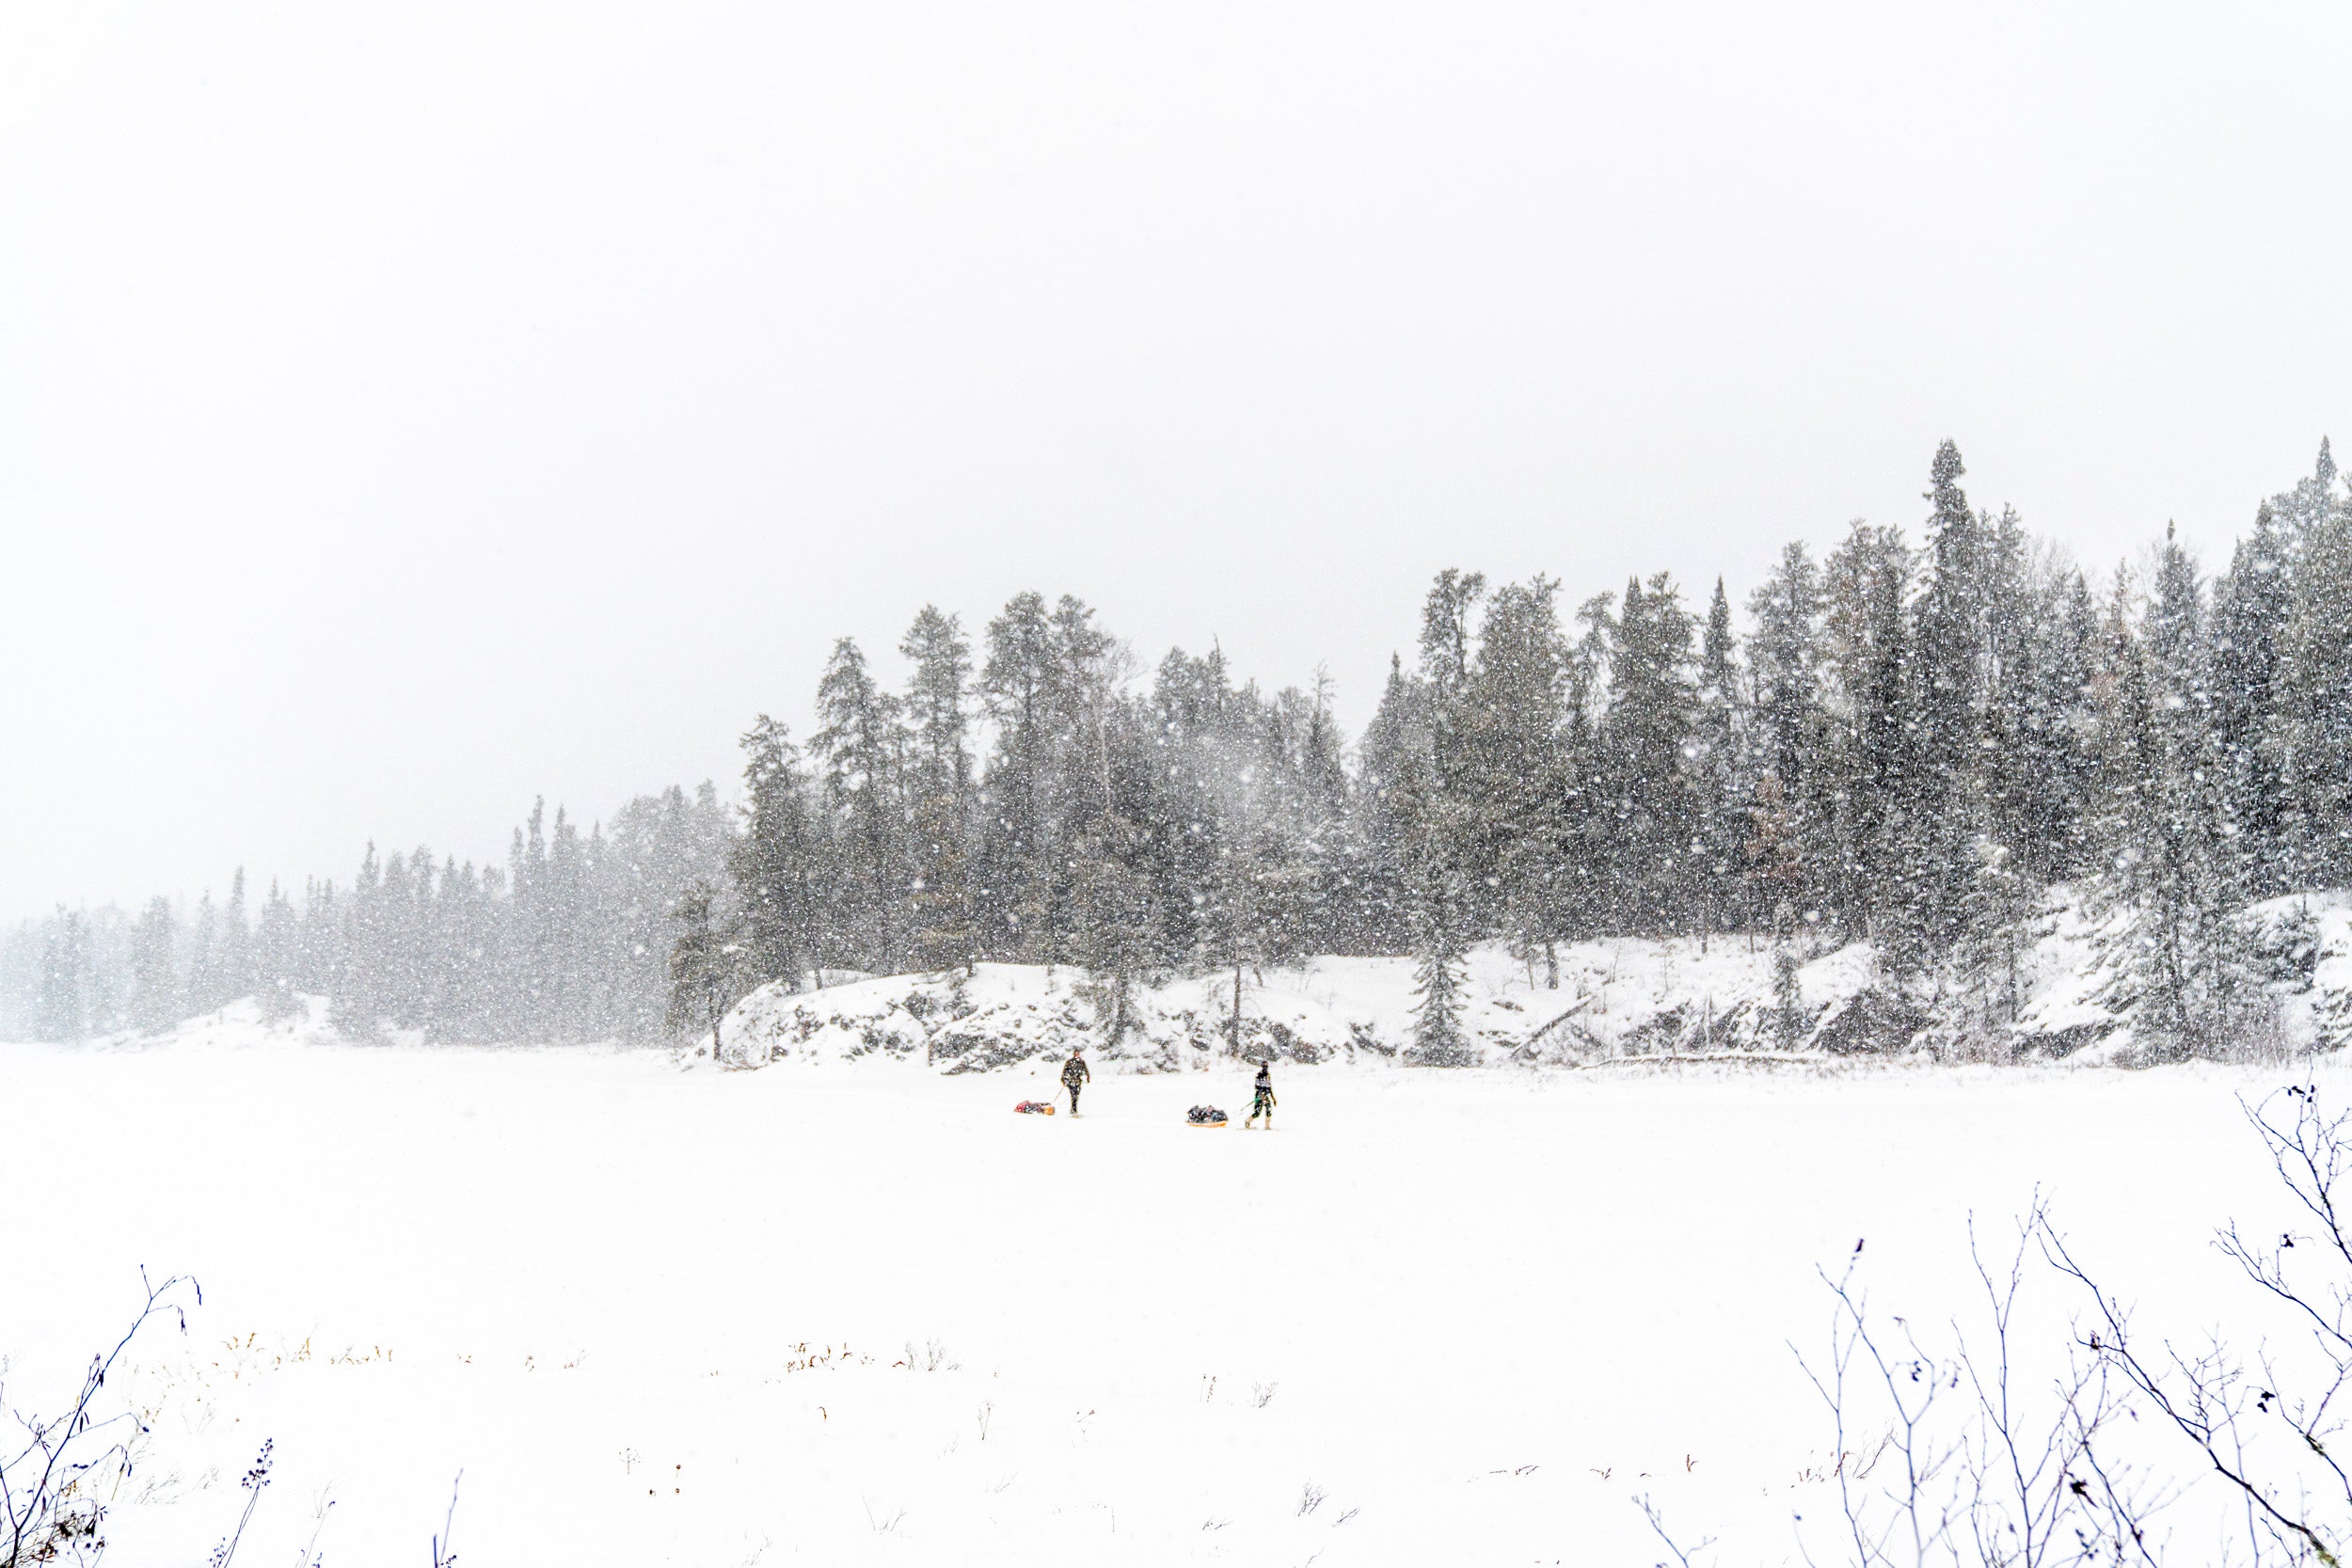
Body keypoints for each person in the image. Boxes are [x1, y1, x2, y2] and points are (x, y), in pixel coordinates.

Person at [1244, 1059, 1276, 1129]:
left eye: (1266, 1066)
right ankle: (1247, 1121)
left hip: (1266, 1095)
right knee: (1257, 1112)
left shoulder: (1268, 1075)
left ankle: (1267, 1126)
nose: (1265, 1068)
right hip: (1259, 1095)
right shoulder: (1259, 1075)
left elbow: (1269, 1087)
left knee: (1268, 1109)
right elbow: (1257, 1086)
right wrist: (1261, 1093)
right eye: (1264, 1066)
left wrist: (1273, 1098)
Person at [1061, 1047, 1090, 1116]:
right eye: (1076, 1053)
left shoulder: (1082, 1062)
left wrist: (1087, 1077)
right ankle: (1073, 1109)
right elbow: (1065, 1071)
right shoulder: (1069, 1062)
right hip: (1070, 1081)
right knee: (1073, 1094)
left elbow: (1086, 1070)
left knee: (1076, 1094)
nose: (1077, 1054)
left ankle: (1074, 1108)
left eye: (1078, 1053)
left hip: (1078, 1081)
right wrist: (1064, 1079)